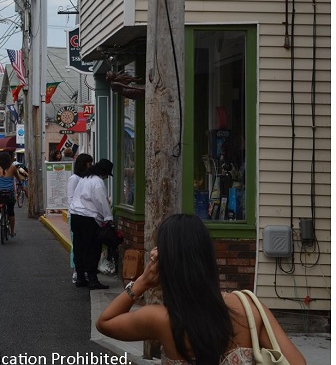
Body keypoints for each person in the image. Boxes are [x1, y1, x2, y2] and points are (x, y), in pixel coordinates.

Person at [97, 213, 307, 365]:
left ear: (166, 263)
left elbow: (105, 323)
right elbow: (297, 362)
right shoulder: (248, 306)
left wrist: (143, 281)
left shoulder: (161, 319)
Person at [70, 158, 114, 289]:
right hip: (89, 218)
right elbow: (102, 202)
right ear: (103, 172)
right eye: (107, 174)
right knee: (93, 249)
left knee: (79, 248)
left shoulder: (84, 179)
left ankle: (81, 278)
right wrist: (108, 218)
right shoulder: (98, 182)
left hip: (76, 216)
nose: (107, 177)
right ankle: (93, 279)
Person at [67, 153, 93, 283]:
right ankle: (76, 271)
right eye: (89, 163)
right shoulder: (74, 178)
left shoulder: (86, 178)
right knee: (76, 245)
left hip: (85, 215)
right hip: (75, 215)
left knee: (84, 245)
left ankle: (83, 270)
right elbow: (70, 198)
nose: (91, 166)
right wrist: (75, 212)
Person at [0, 152, 18, 237]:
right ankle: (12, 231)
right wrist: (21, 184)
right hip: (9, 192)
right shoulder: (13, 167)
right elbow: (18, 177)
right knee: (11, 211)